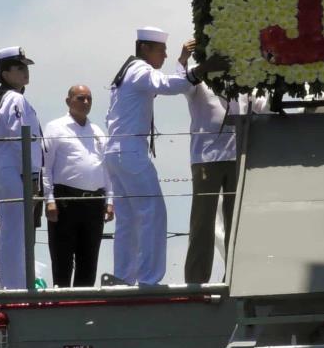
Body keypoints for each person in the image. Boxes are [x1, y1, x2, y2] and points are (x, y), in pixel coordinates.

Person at [104, 27, 227, 285]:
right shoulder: (140, 70)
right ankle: (149, 279)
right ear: (145, 48)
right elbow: (168, 84)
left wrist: (186, 65)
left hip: (116, 152)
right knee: (153, 213)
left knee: (128, 219)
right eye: (161, 50)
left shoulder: (127, 72)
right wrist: (201, 69)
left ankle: (124, 277)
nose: (164, 55)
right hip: (131, 152)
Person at [177, 39, 267, 283]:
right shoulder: (200, 82)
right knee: (203, 224)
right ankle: (196, 281)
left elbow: (262, 107)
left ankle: (235, 278)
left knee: (236, 221)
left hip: (237, 157)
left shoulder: (242, 83)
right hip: (207, 158)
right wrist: (184, 59)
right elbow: (181, 83)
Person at [42, 85, 114, 287]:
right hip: (65, 200)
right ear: (68, 101)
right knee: (62, 259)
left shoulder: (98, 131)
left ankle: (83, 308)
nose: (86, 103)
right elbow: (45, 167)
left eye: (89, 99)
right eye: (81, 98)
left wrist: (109, 200)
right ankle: (60, 308)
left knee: (89, 260)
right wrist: (49, 200)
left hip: (94, 201)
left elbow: (106, 169)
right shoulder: (55, 128)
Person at [0, 46, 42, 289]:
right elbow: (23, 139)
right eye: (19, 67)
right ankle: (16, 286)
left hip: (8, 172)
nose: (25, 72)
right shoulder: (15, 99)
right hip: (16, 174)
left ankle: (15, 283)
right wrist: (31, 175)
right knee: (16, 235)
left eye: (26, 67)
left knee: (14, 233)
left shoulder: (4, 99)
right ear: (6, 73)